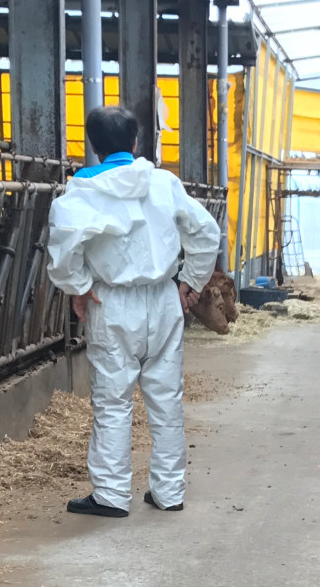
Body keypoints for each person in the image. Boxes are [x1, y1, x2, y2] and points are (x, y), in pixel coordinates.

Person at [46, 105, 223, 518]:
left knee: (113, 401)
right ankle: (169, 492)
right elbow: (206, 232)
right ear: (136, 142)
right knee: (166, 399)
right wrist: (189, 282)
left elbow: (63, 250)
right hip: (163, 298)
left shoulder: (81, 191)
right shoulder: (163, 183)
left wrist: (79, 287)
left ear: (92, 146)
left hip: (110, 301)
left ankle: (110, 495)